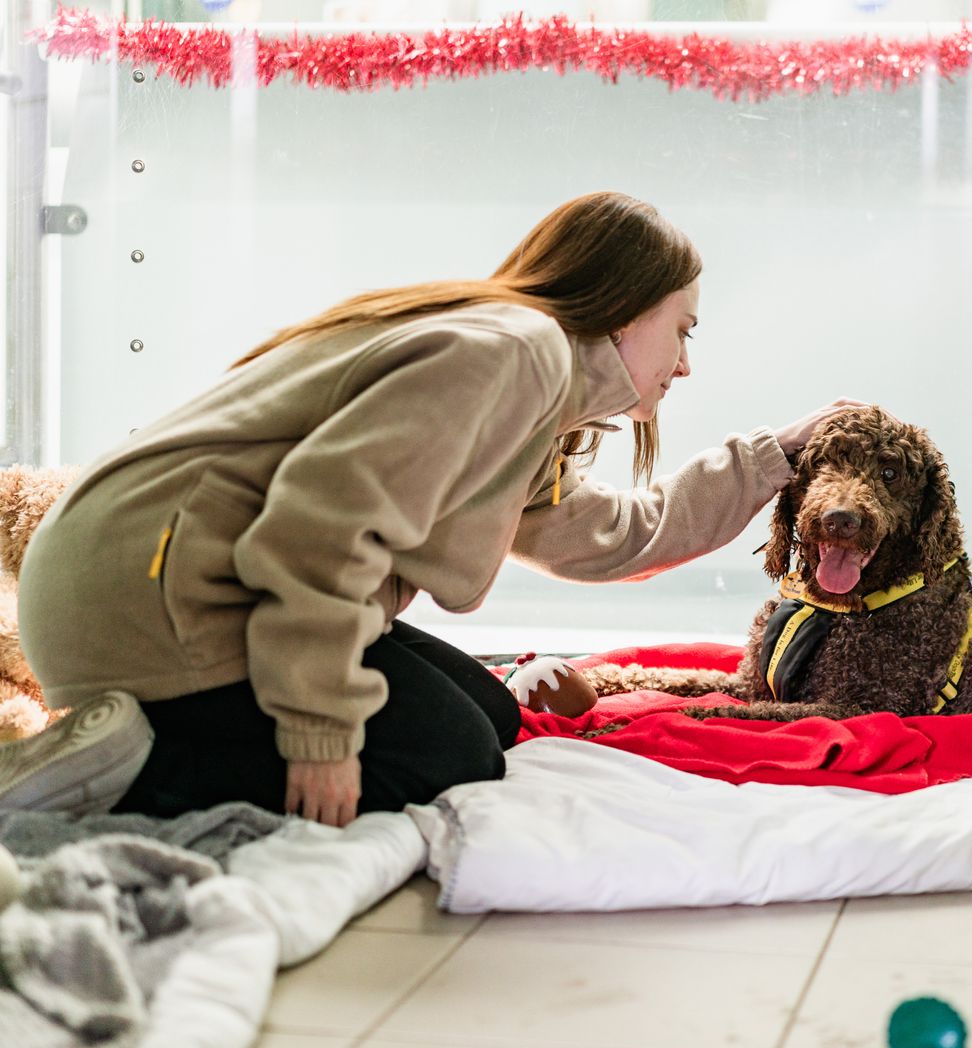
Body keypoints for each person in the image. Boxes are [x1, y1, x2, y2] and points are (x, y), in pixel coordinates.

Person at [2, 191, 865, 826]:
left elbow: (604, 537)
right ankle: (119, 769)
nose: (684, 365)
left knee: (483, 716)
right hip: (147, 603)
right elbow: (321, 523)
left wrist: (771, 461)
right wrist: (319, 734)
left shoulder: (533, 376)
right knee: (445, 756)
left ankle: (164, 739)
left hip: (175, 578)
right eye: (684, 330)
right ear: (628, 307)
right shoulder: (512, 354)